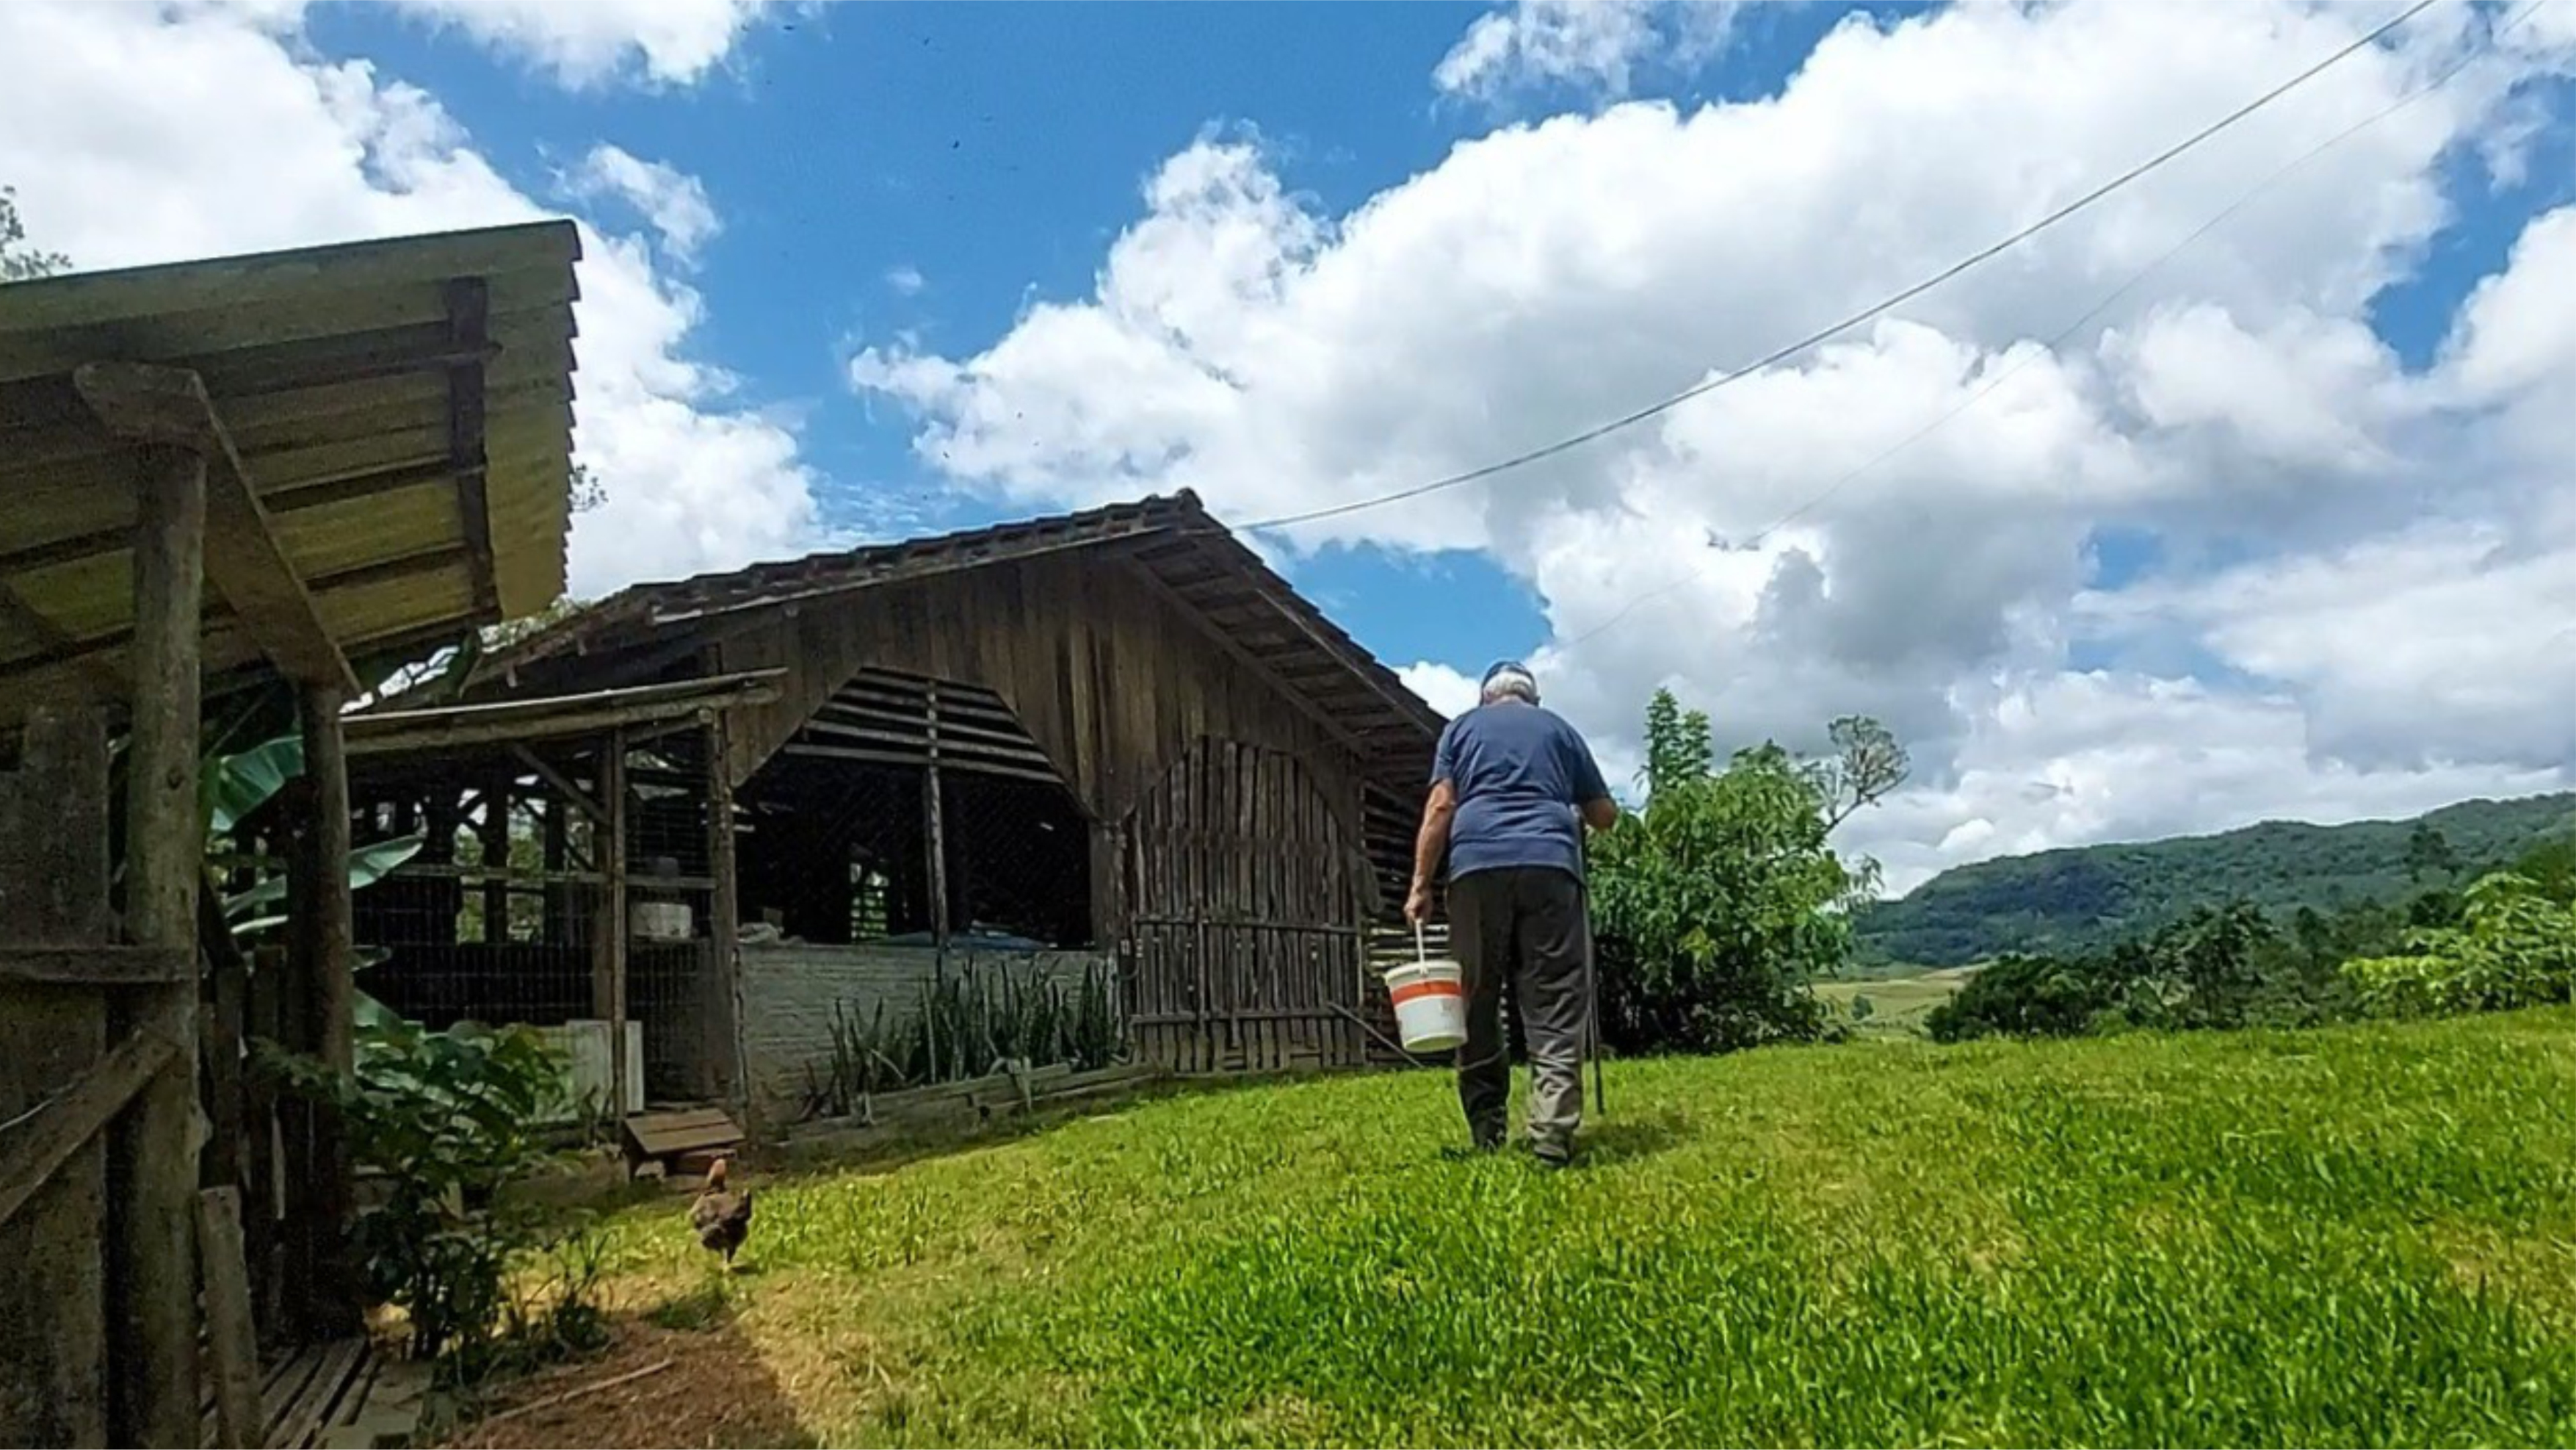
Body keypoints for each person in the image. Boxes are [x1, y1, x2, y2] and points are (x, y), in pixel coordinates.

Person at [1405, 660, 1618, 1166]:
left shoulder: (1461, 729)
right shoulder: (1560, 731)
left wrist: (1420, 886)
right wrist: (1573, 807)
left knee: (1476, 998)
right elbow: (1605, 815)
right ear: (1533, 700)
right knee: (1556, 1000)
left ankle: (1487, 1131)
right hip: (1550, 864)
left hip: (1476, 867)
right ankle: (1551, 1133)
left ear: (1486, 698)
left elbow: (1440, 807)